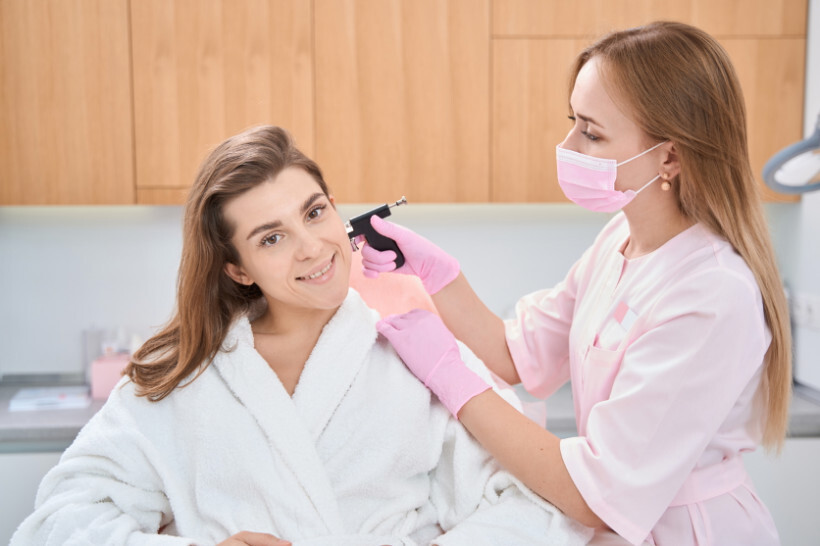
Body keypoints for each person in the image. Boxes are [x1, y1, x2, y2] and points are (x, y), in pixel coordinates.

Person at [11, 126, 591, 546]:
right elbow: (59, 520)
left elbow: (537, 507)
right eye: (271, 238)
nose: (312, 247)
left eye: (314, 213)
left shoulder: (419, 357)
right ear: (236, 268)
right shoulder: (182, 373)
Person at [363, 21, 791, 546]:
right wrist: (439, 276)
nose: (565, 145)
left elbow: (595, 493)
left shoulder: (711, 294)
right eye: (573, 122)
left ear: (670, 157)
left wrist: (450, 376)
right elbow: (515, 354)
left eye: (591, 132)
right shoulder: (621, 240)